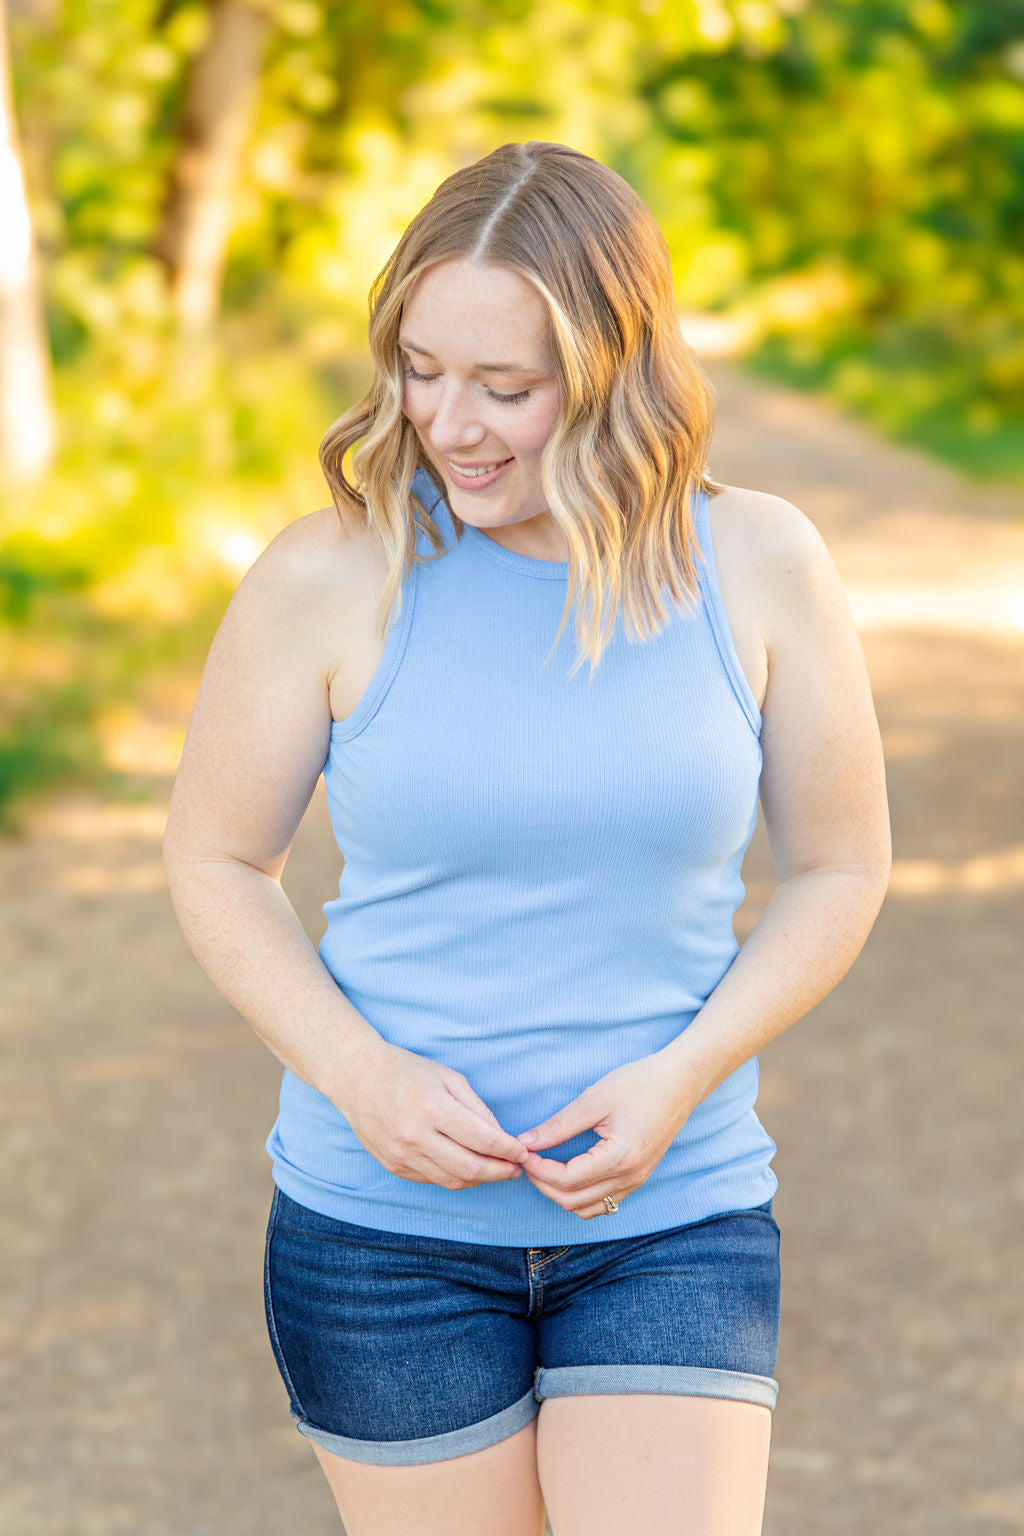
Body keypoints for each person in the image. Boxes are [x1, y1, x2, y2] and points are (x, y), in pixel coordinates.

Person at [162, 141, 891, 1536]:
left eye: (508, 387)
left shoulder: (764, 564)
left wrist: (682, 1074)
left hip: (672, 1221)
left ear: (620, 371)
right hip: (380, 1245)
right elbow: (214, 860)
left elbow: (843, 868)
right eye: (422, 371)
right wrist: (356, 1071)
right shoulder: (328, 575)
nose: (451, 423)